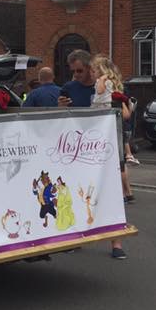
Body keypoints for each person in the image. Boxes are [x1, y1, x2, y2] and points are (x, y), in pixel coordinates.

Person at [58, 50, 127, 260]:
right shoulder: (69, 88)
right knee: (79, 193)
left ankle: (116, 242)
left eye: (80, 70)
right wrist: (60, 106)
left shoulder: (109, 86)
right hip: (79, 149)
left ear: (91, 68)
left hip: (106, 147)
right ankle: (77, 236)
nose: (76, 75)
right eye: (73, 71)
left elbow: (125, 114)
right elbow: (61, 119)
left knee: (111, 192)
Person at [91, 54, 135, 206]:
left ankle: (123, 193)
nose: (93, 73)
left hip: (107, 123)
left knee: (116, 161)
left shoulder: (103, 82)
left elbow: (101, 94)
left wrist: (102, 80)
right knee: (118, 161)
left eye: (95, 69)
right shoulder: (116, 88)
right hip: (114, 123)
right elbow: (127, 113)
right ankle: (126, 192)